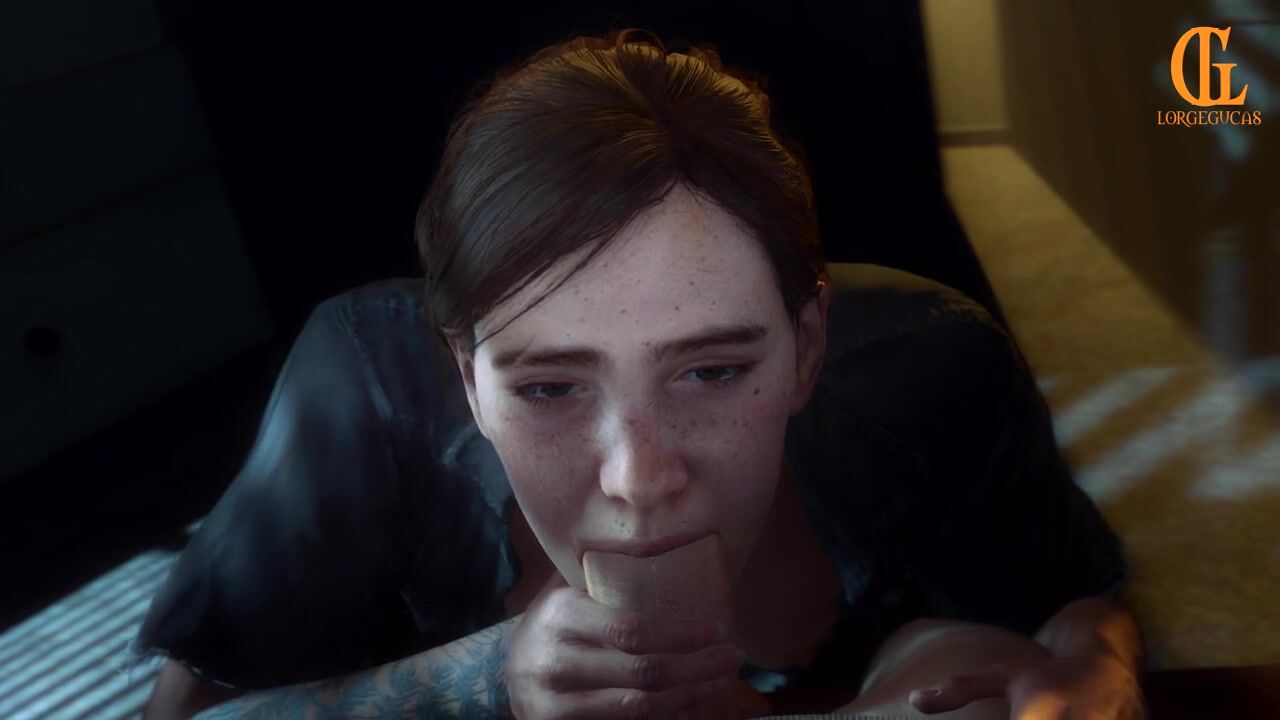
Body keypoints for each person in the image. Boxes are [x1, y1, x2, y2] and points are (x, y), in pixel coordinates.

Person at [131, 28, 1147, 719]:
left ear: (804, 344)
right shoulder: (365, 384)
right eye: (549, 387)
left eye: (711, 371)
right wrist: (485, 678)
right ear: (469, 379)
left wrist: (1096, 668)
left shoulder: (930, 364)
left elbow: (1066, 597)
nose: (638, 475)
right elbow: (189, 705)